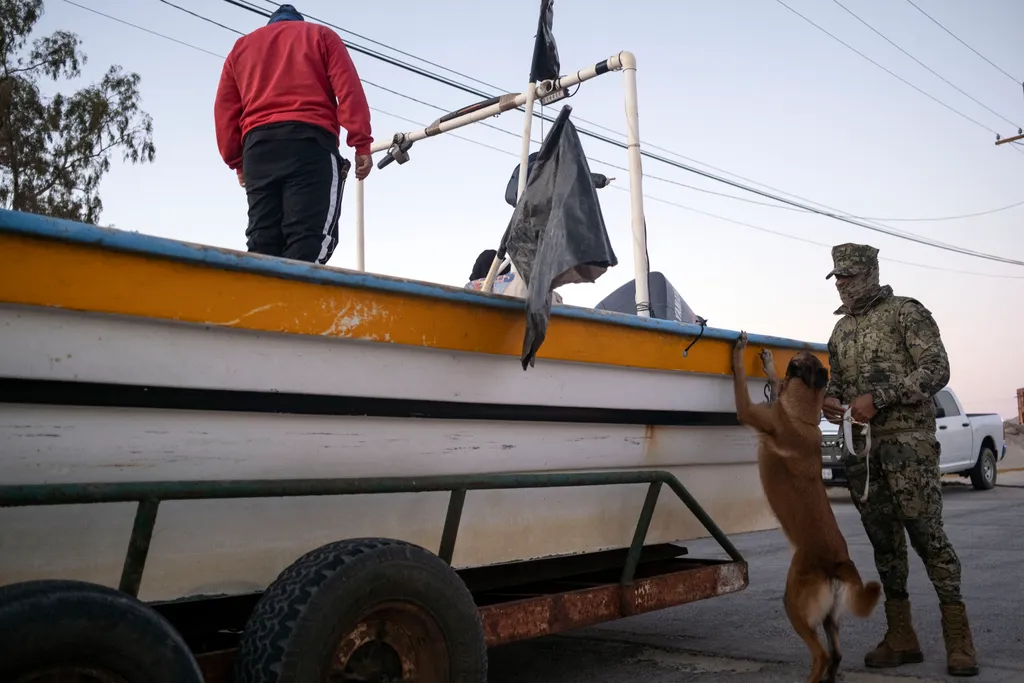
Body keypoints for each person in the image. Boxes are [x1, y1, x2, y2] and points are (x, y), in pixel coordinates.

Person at [821, 243, 978, 677]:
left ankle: (959, 641)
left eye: (850, 276)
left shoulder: (905, 313)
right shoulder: (839, 333)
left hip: (908, 447)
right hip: (863, 453)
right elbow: (837, 381)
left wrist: (882, 398)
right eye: (837, 277)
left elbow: (936, 368)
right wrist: (831, 400)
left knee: (929, 540)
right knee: (885, 546)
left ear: (871, 273)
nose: (842, 285)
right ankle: (902, 637)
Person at [214, 4, 373, 265]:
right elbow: (348, 90)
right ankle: (294, 302)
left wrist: (237, 162)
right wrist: (361, 143)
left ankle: (262, 300)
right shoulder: (321, 36)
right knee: (308, 242)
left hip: (258, 149)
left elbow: (225, 109)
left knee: (261, 240)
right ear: (298, 22)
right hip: (309, 143)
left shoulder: (241, 48)